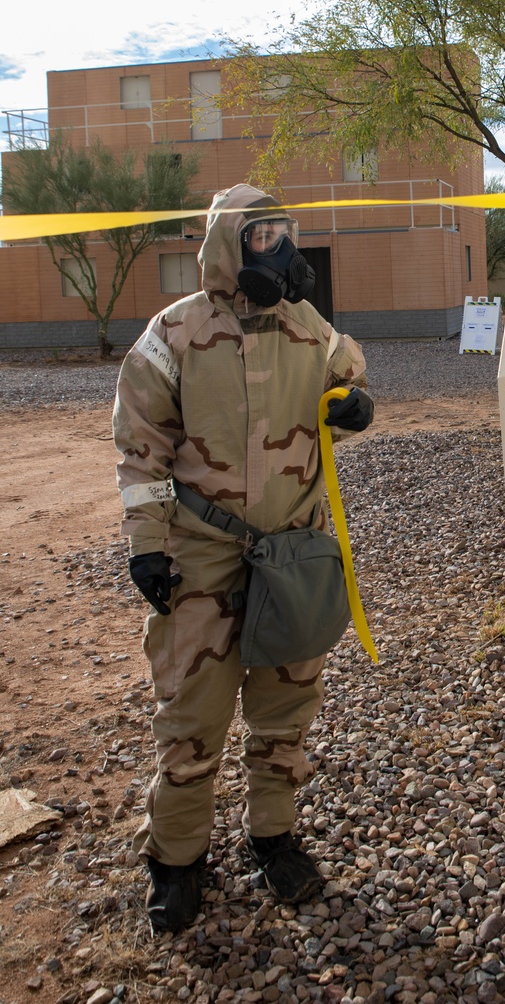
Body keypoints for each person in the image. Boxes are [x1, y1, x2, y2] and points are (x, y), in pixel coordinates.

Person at [113, 183, 374, 934]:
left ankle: (274, 837)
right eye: (262, 239)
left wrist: (354, 404)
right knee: (191, 715)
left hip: (292, 549)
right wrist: (146, 547)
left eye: (284, 236)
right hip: (201, 555)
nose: (280, 252)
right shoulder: (174, 333)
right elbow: (139, 447)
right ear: (228, 246)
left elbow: (349, 378)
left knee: (285, 707)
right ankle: (177, 860)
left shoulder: (307, 327)